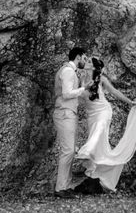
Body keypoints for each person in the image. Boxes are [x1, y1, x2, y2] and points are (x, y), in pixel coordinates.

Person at [74, 57, 136, 192]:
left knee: (99, 131)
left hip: (104, 112)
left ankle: (85, 151)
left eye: (89, 62)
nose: (86, 62)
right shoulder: (80, 78)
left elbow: (114, 92)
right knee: (100, 147)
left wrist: (130, 102)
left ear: (94, 68)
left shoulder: (101, 79)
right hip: (92, 115)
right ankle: (100, 178)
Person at [53, 47, 91, 198]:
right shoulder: (68, 71)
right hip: (64, 113)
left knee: (69, 150)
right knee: (68, 151)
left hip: (68, 113)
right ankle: (60, 188)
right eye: (84, 58)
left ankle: (66, 186)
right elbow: (67, 94)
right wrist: (83, 88)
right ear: (78, 56)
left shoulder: (71, 71)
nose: (85, 61)